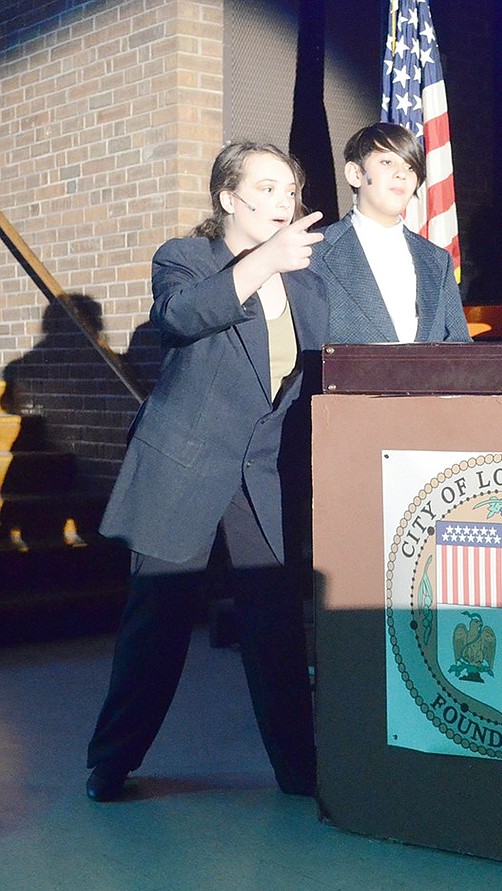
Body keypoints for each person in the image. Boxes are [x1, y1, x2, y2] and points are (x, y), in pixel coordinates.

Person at [86, 142, 327, 802]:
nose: (285, 201)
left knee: (275, 622)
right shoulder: (185, 258)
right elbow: (181, 316)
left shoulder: (306, 277)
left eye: (290, 189)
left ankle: (298, 768)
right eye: (269, 188)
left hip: (259, 473)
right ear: (228, 197)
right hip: (185, 465)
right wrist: (260, 265)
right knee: (157, 621)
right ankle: (111, 760)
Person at [311, 122, 471, 344]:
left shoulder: (436, 260)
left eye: (410, 167)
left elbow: (460, 348)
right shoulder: (314, 253)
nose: (401, 174)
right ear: (355, 174)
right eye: (387, 162)